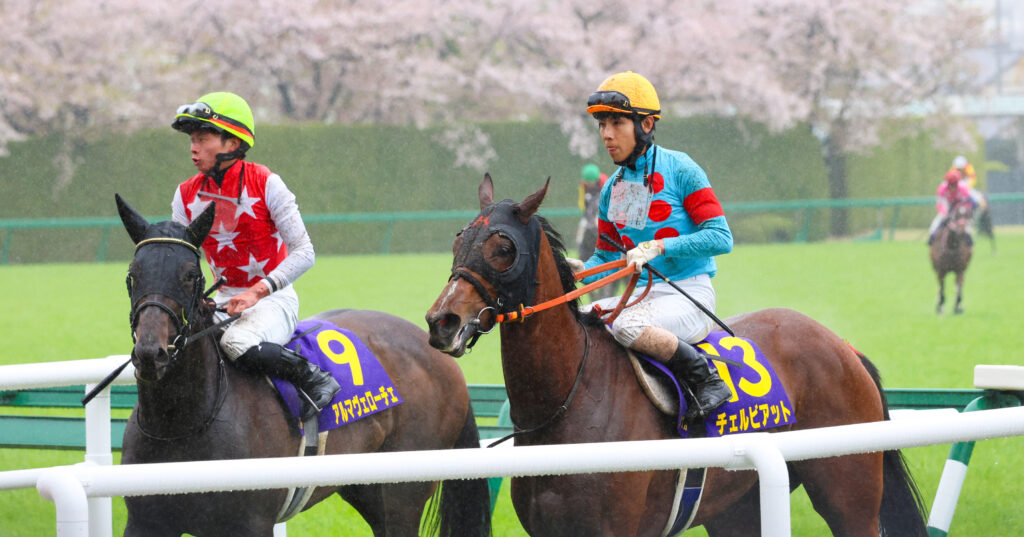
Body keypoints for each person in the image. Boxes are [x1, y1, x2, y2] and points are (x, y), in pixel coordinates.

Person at [565, 72, 734, 426]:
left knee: (625, 326)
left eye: (616, 123)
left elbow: (721, 237)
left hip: (689, 294)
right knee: (576, 323)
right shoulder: (612, 189)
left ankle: (706, 379)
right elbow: (609, 261)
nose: (606, 135)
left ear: (645, 123)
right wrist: (579, 269)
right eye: (602, 124)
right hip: (640, 297)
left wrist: (659, 246)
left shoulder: (681, 168)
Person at [170, 91, 339, 419]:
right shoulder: (185, 194)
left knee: (236, 344)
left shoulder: (267, 183)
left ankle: (314, 379)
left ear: (231, 144)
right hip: (220, 302)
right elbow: (181, 259)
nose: (193, 147)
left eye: (203, 138)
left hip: (273, 301)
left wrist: (256, 292)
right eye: (192, 139)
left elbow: (305, 252)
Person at [928, 168, 976, 245]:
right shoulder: (942, 189)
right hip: (947, 207)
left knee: (966, 227)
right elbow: (940, 204)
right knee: (935, 224)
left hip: (959, 208)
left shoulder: (963, 188)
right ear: (947, 183)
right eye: (951, 184)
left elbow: (968, 204)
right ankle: (932, 237)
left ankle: (969, 243)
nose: (953, 187)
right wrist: (945, 212)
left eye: (955, 184)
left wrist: (961, 210)